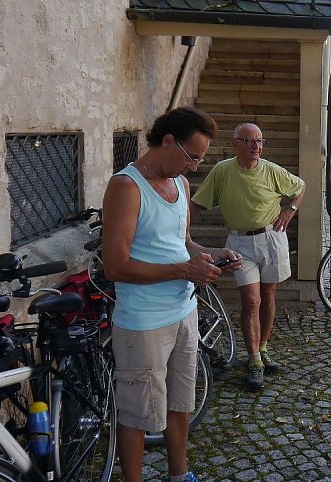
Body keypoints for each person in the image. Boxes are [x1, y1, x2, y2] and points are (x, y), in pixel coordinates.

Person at [102, 107, 242, 482]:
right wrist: (185, 270)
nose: (195, 166)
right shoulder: (126, 187)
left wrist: (210, 256)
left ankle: (180, 475)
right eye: (192, 156)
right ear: (168, 142)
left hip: (183, 312)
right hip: (143, 323)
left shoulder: (180, 184)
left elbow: (180, 244)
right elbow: (114, 266)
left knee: (180, 403)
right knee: (137, 414)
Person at [191, 122, 305, 390]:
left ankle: (263, 347)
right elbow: (197, 203)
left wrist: (289, 209)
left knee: (269, 297)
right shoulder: (223, 171)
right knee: (251, 301)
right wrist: (178, 230)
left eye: (260, 141)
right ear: (236, 144)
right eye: (249, 141)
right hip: (240, 243)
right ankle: (253, 358)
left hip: (272, 238)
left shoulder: (272, 170)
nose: (256, 146)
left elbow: (300, 187)